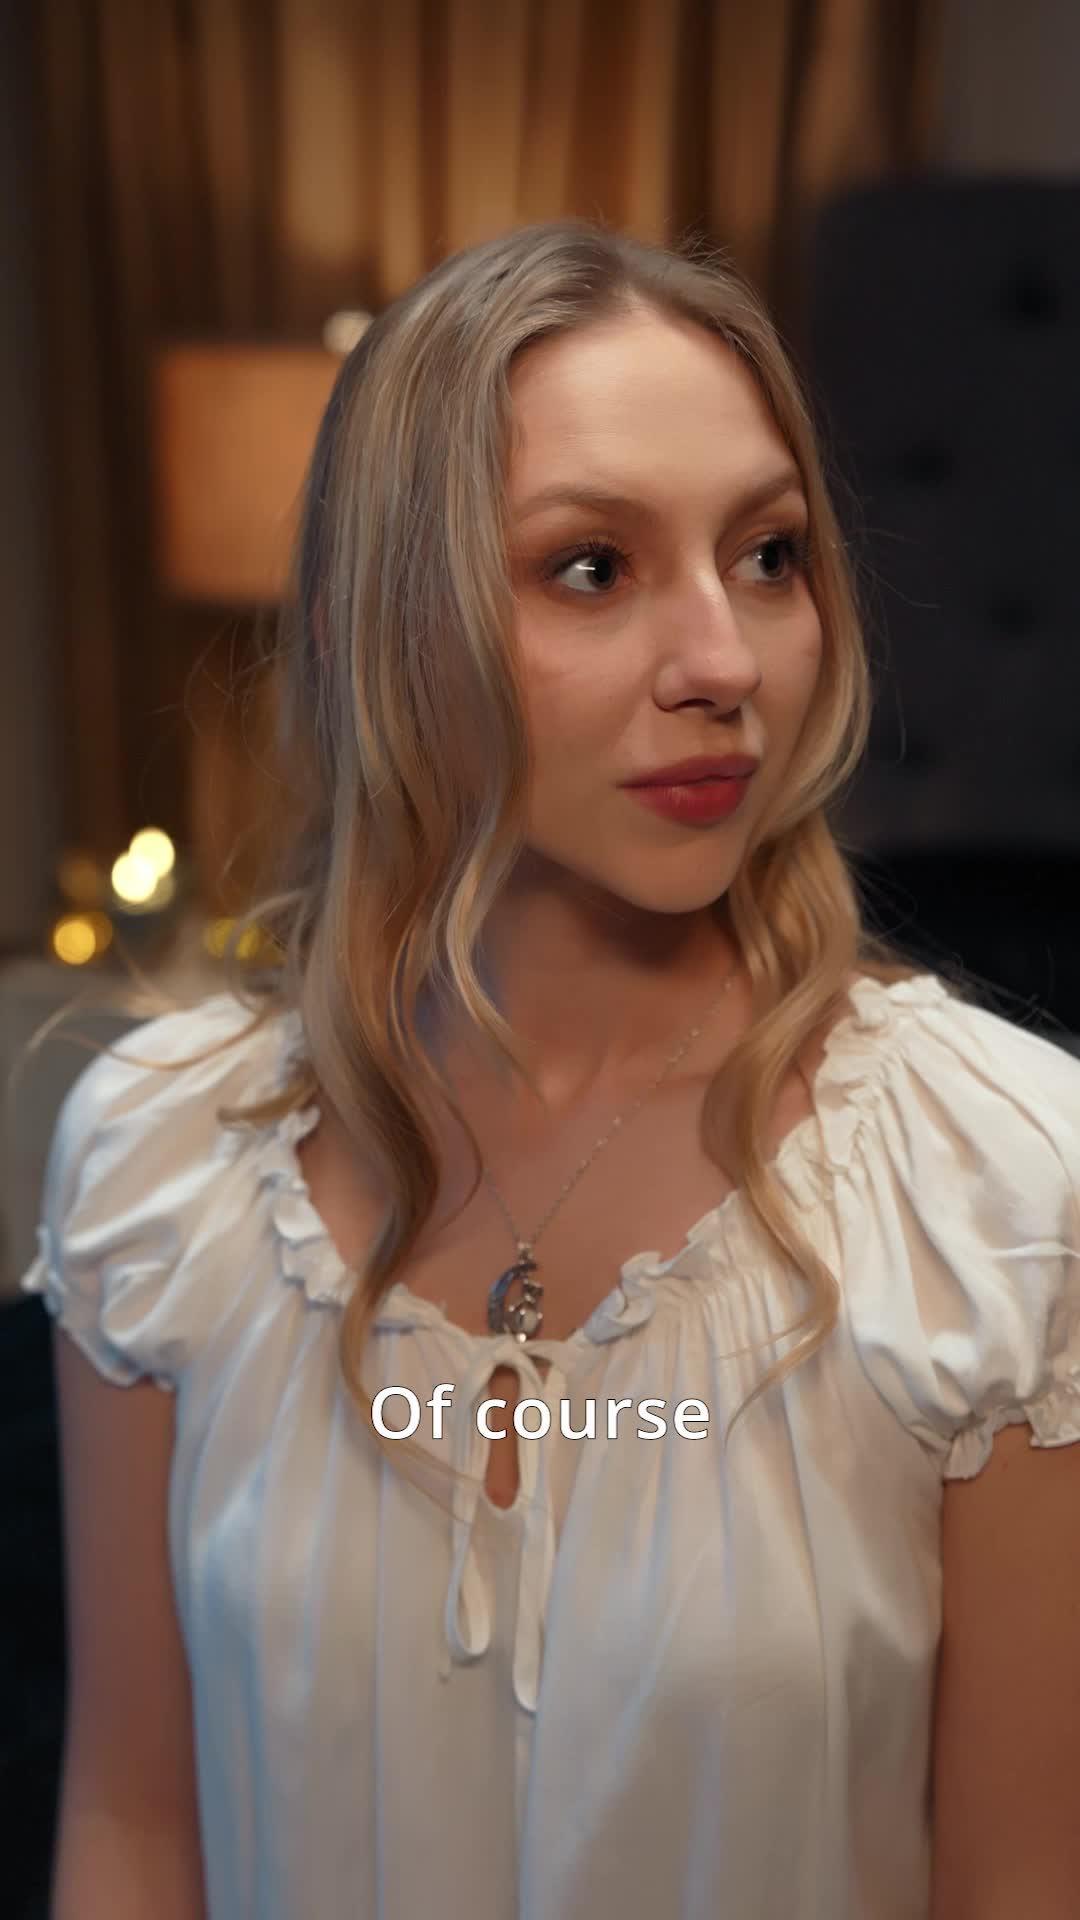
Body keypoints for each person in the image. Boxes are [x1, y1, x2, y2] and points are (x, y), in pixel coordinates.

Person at [23, 218, 1080, 1920]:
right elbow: (137, 1832)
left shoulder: (997, 1196)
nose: (724, 663)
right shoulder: (163, 1168)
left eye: (769, 556)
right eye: (592, 567)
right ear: (380, 627)